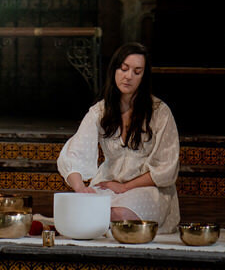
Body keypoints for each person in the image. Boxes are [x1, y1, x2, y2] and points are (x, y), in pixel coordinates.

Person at [56, 42, 181, 232]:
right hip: (108, 186)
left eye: (137, 72)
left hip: (147, 190)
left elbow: (166, 168)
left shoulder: (160, 113)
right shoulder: (100, 111)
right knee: (77, 209)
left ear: (143, 77)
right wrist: (81, 189)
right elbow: (74, 153)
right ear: (114, 70)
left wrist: (125, 187)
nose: (128, 76)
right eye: (124, 69)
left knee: (119, 215)